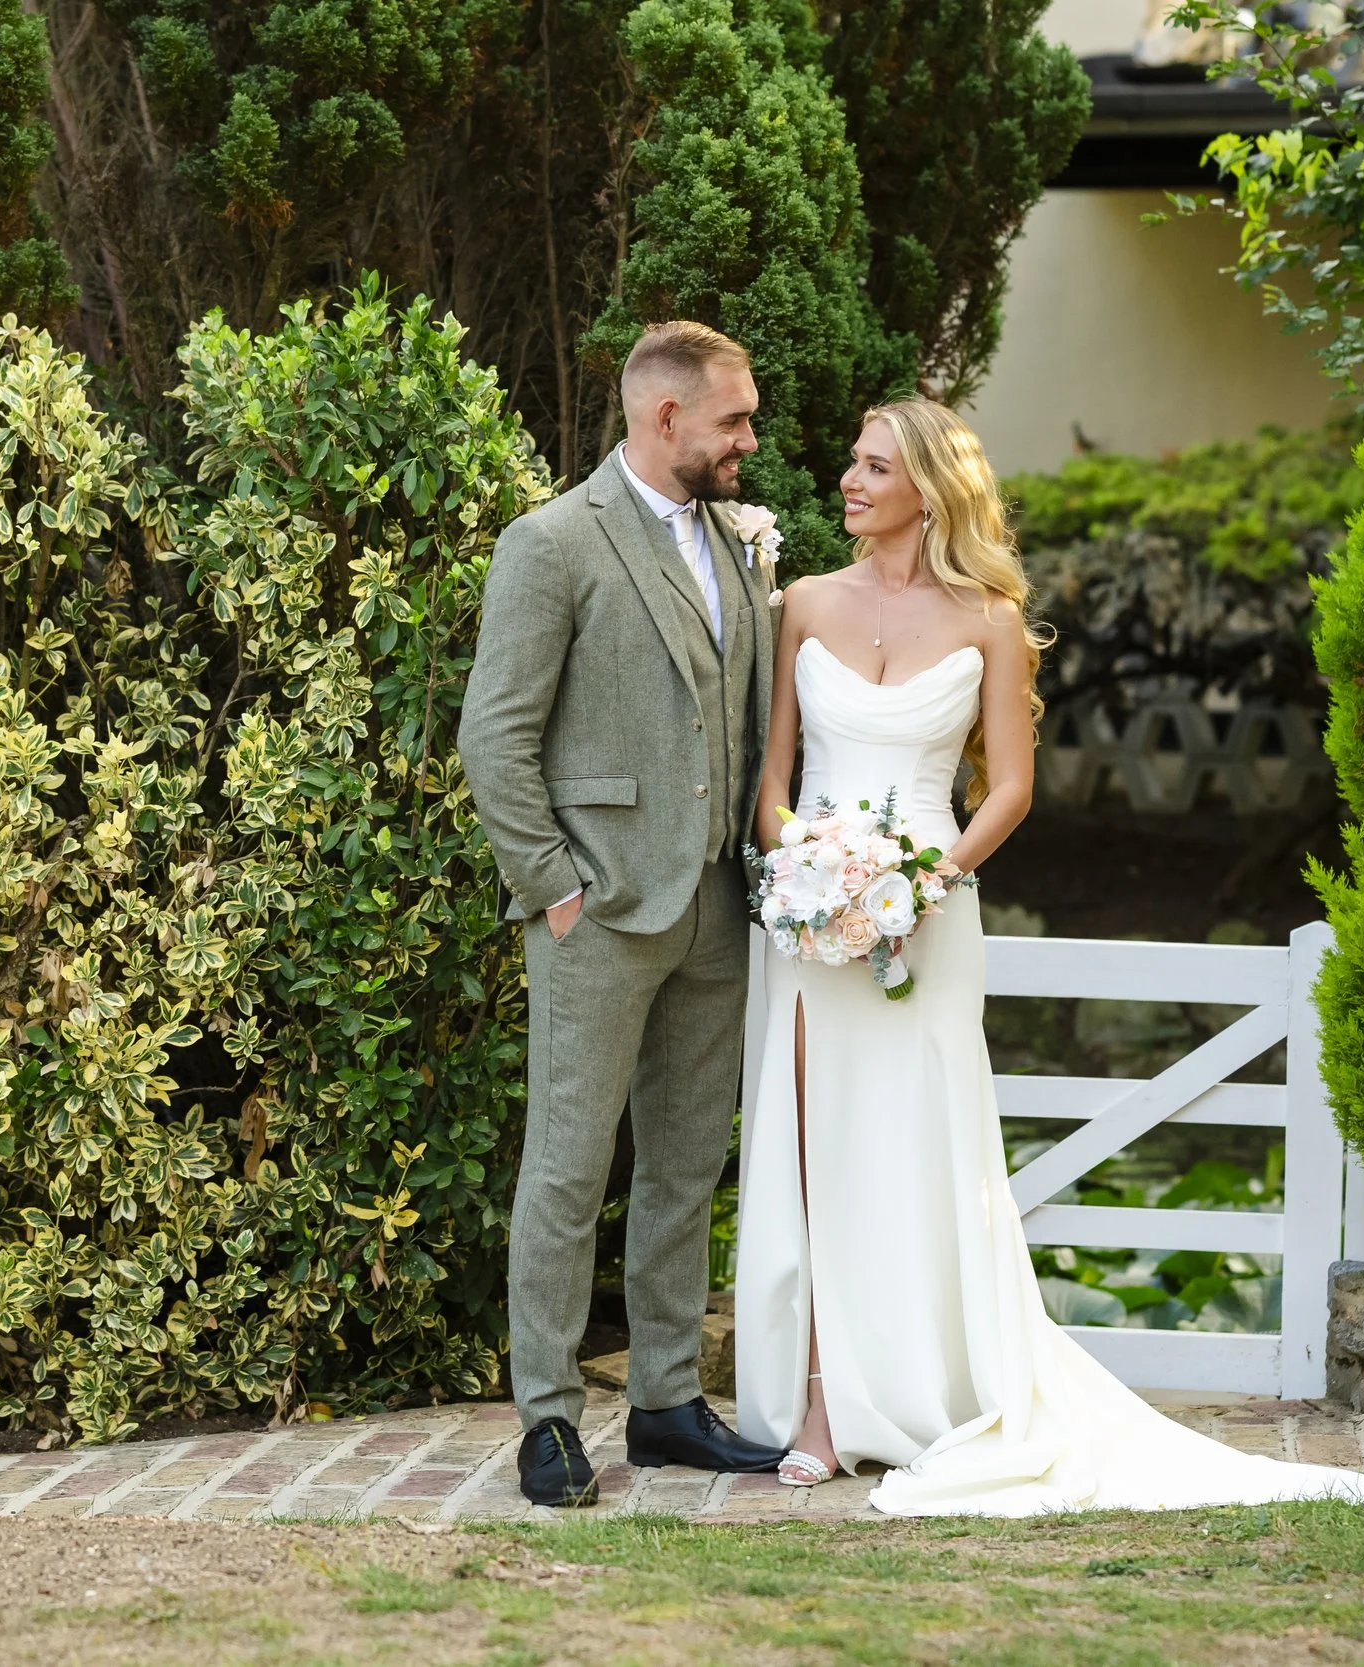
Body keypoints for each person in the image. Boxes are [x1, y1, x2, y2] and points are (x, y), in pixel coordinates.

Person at [732, 397, 1364, 1516]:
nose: (846, 481)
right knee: (812, 1150)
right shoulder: (800, 603)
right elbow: (771, 778)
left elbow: (1010, 784)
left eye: (869, 466)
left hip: (928, 915)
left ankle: (935, 1390)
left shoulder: (990, 618)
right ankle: (815, 1408)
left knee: (919, 1152)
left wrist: (921, 885)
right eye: (849, 461)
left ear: (927, 489)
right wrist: (805, 875)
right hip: (810, 928)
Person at [461, 321, 788, 1507]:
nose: (749, 438)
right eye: (733, 420)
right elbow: (492, 734)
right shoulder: (551, 543)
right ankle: (547, 1418)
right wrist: (552, 886)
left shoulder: (736, 544)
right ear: (664, 419)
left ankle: (663, 1403)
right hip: (595, 909)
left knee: (689, 1164)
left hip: (714, 904)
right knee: (566, 1165)